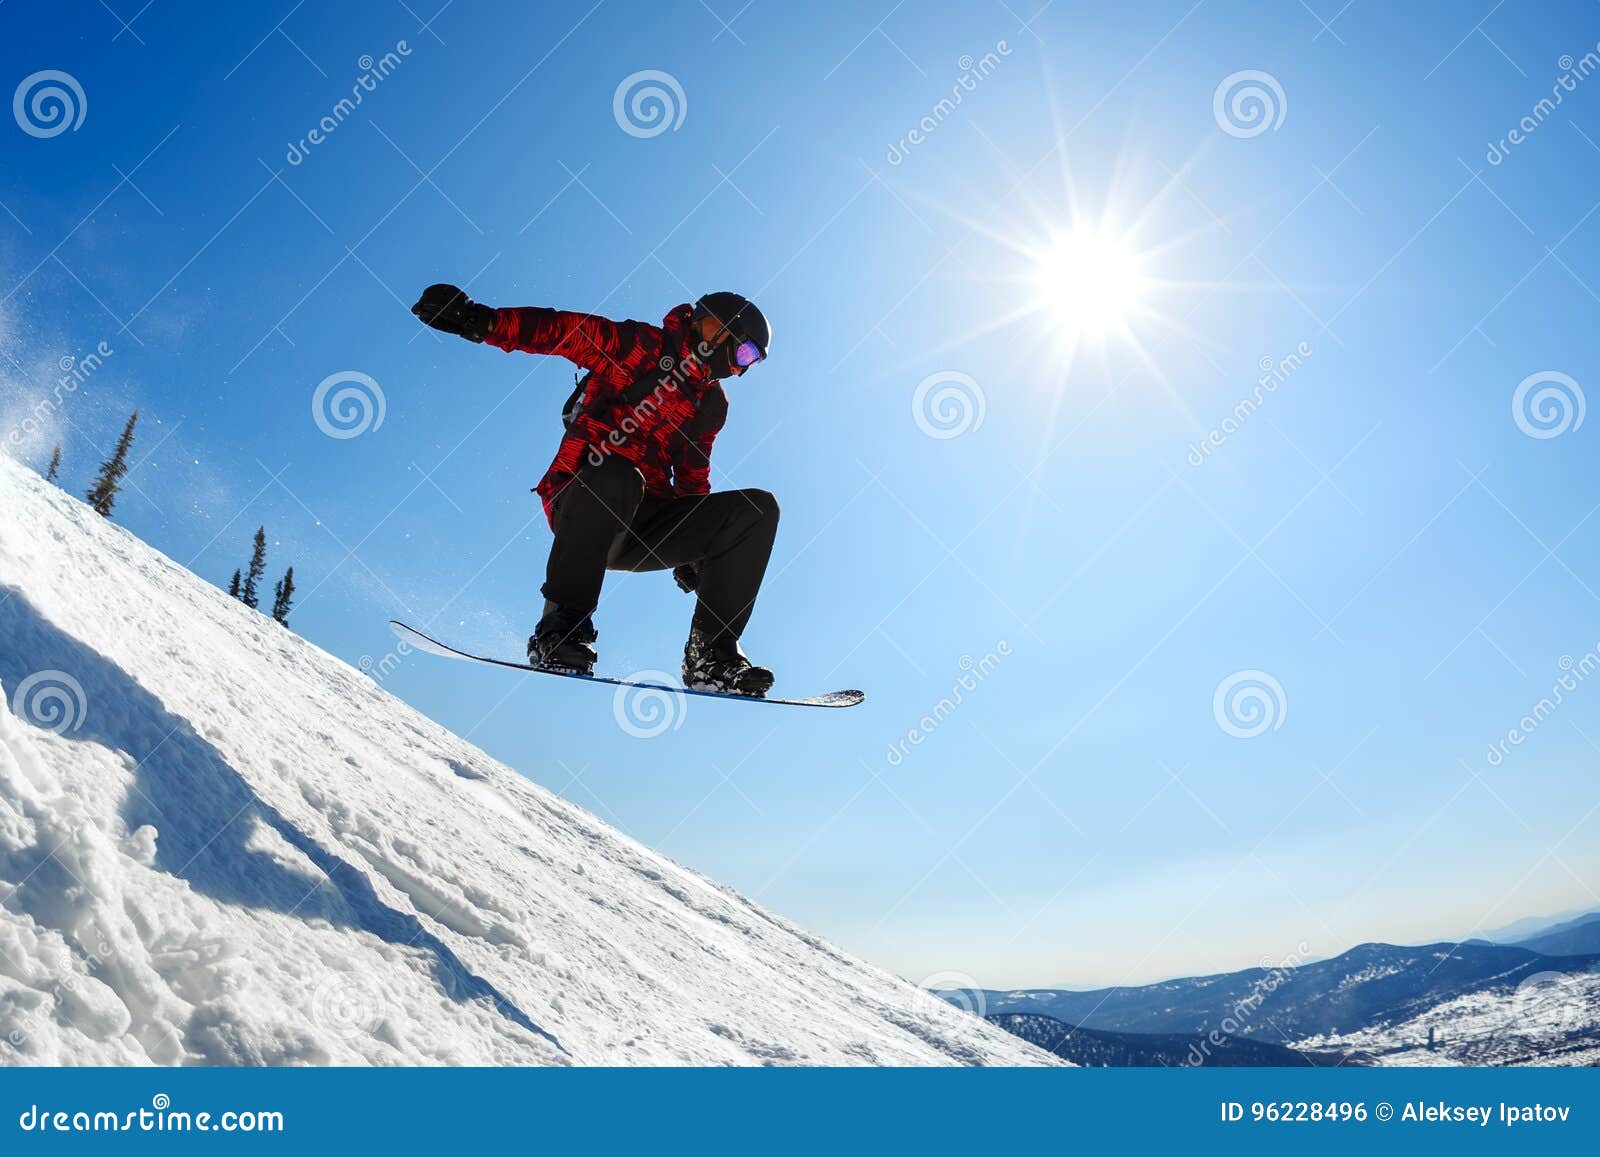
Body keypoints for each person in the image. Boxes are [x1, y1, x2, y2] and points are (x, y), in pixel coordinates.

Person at [410, 284, 780, 696]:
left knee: (758, 509)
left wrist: (697, 553)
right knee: (618, 473)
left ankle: (711, 656)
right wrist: (480, 320)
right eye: (736, 347)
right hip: (586, 501)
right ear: (707, 325)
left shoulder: (711, 404)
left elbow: (693, 475)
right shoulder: (638, 346)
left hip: (646, 525)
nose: (733, 360)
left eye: (746, 358)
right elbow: (562, 331)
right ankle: (561, 629)